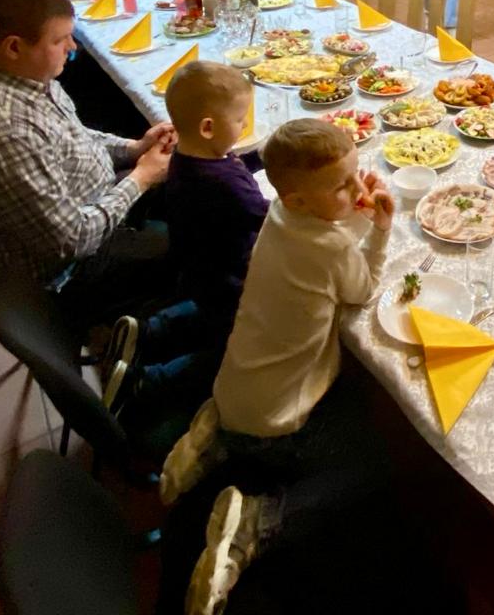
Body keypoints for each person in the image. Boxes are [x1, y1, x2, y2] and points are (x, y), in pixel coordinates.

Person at [158, 120, 394, 612]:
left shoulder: (282, 214)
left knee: (258, 392)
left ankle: (215, 436)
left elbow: (324, 238)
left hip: (235, 387)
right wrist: (380, 231)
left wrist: (352, 211)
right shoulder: (330, 248)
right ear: (300, 199)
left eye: (356, 175)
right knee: (372, 465)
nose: (358, 188)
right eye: (343, 185)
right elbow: (363, 288)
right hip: (275, 424)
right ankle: (258, 522)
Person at [0, 0, 174, 325]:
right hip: (70, 272)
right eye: (60, 40)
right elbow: (73, 240)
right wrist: (142, 178)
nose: (72, 48)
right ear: (14, 47)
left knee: (191, 179)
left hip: (86, 205)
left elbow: (72, 136)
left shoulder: (8, 74)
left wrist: (134, 149)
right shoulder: (3, 131)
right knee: (205, 245)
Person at [102, 61, 268, 426]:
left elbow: (234, 167)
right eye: (240, 120)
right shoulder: (225, 184)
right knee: (232, 346)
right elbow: (267, 216)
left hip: (199, 270)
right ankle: (145, 384)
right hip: (234, 278)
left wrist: (261, 156)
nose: (244, 126)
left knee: (209, 313)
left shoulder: (190, 158)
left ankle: (148, 331)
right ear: (208, 127)